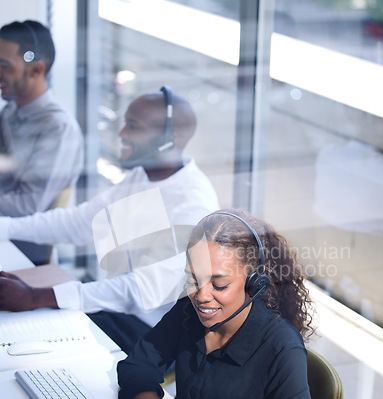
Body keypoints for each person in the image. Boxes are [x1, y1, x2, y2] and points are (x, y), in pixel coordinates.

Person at [0, 88, 220, 352]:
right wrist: (6, 227)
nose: (122, 134)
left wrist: (37, 296)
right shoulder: (143, 175)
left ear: (167, 140)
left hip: (151, 331)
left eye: (133, 127)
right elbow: (79, 223)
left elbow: (142, 290)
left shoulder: (193, 204)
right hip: (111, 310)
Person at [117, 209, 317, 399]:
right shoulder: (189, 311)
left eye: (219, 285)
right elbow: (136, 366)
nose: (201, 295)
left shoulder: (281, 345)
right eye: (193, 279)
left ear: (254, 283)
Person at [0, 20, 84, 264]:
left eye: (4, 66)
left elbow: (27, 205)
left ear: (37, 70)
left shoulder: (57, 128)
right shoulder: (11, 111)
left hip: (22, 246)